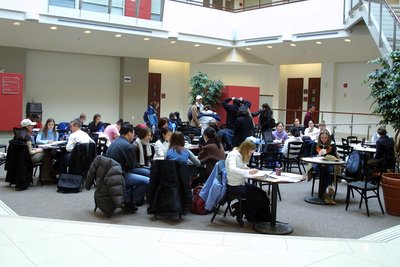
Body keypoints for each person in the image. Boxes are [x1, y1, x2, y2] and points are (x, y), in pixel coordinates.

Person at [226, 140, 271, 222]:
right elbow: (232, 169)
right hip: (234, 186)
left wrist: (249, 170)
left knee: (263, 195)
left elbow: (243, 168)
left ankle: (261, 217)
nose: (250, 155)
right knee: (258, 197)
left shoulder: (240, 155)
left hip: (241, 183)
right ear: (246, 149)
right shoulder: (233, 155)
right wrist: (247, 171)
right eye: (250, 152)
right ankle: (240, 209)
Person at [105, 123, 148, 208]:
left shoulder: (115, 142)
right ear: (129, 133)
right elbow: (132, 166)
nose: (134, 136)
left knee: (147, 172)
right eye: (133, 134)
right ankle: (128, 199)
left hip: (111, 172)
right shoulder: (128, 146)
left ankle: (133, 197)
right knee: (148, 181)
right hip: (120, 175)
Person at [310, 130, 337, 205]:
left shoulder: (332, 145)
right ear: (319, 138)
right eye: (322, 138)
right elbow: (311, 155)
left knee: (326, 169)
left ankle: (323, 193)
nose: (324, 139)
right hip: (317, 164)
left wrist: (327, 158)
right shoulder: (315, 144)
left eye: (325, 138)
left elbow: (334, 157)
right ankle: (328, 187)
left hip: (328, 164)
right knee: (322, 168)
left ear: (328, 138)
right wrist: (318, 155)